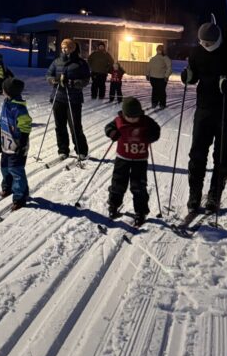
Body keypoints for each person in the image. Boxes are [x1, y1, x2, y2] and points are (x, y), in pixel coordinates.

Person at [181, 22, 227, 215]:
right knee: (197, 153)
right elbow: (194, 76)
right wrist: (187, 76)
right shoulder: (197, 52)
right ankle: (195, 194)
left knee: (221, 155)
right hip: (204, 108)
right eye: (202, 42)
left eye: (209, 43)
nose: (206, 46)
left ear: (217, 39)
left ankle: (214, 195)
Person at [104, 96, 161, 225]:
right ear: (124, 114)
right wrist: (112, 133)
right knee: (118, 182)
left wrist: (151, 136)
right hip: (122, 158)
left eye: (136, 117)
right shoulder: (118, 120)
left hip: (140, 160)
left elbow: (156, 130)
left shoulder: (146, 121)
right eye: (130, 117)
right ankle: (114, 204)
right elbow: (108, 128)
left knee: (139, 186)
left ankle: (141, 211)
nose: (133, 119)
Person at [46, 38, 91, 159]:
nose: (64, 50)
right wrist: (53, 80)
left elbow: (86, 79)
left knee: (75, 126)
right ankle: (63, 149)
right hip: (58, 97)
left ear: (72, 48)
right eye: (62, 48)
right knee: (60, 126)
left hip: (73, 98)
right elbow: (48, 75)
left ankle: (81, 150)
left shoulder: (80, 63)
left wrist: (72, 83)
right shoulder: (57, 61)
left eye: (66, 48)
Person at [0, 77, 32, 209]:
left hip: (17, 145)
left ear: (9, 92)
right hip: (6, 144)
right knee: (4, 167)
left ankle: (20, 196)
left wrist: (22, 142)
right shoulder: (6, 103)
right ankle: (8, 187)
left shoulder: (19, 108)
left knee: (16, 170)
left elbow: (26, 125)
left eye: (4, 89)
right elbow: (1, 120)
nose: (2, 91)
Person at [147, 44, 173, 109]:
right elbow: (169, 68)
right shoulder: (164, 58)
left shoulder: (154, 58)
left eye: (159, 49)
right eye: (159, 49)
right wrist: (166, 76)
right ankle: (160, 104)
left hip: (156, 78)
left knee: (156, 90)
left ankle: (156, 103)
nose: (159, 51)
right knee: (160, 91)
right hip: (160, 78)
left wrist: (147, 74)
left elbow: (148, 67)